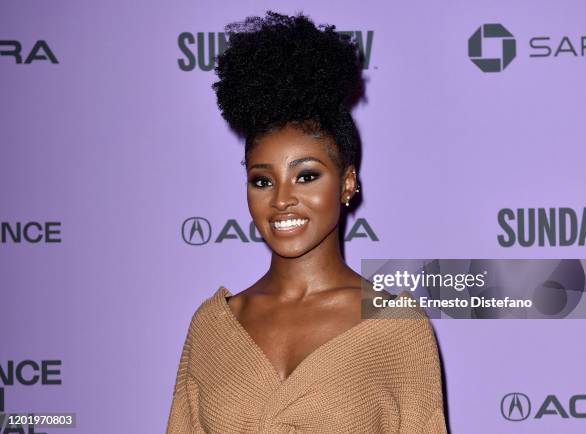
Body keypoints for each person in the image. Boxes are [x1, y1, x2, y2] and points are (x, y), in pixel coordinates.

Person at [166, 10, 447, 433]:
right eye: (262, 179)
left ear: (347, 182)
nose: (281, 198)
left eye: (306, 175)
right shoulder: (213, 327)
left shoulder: (395, 327)